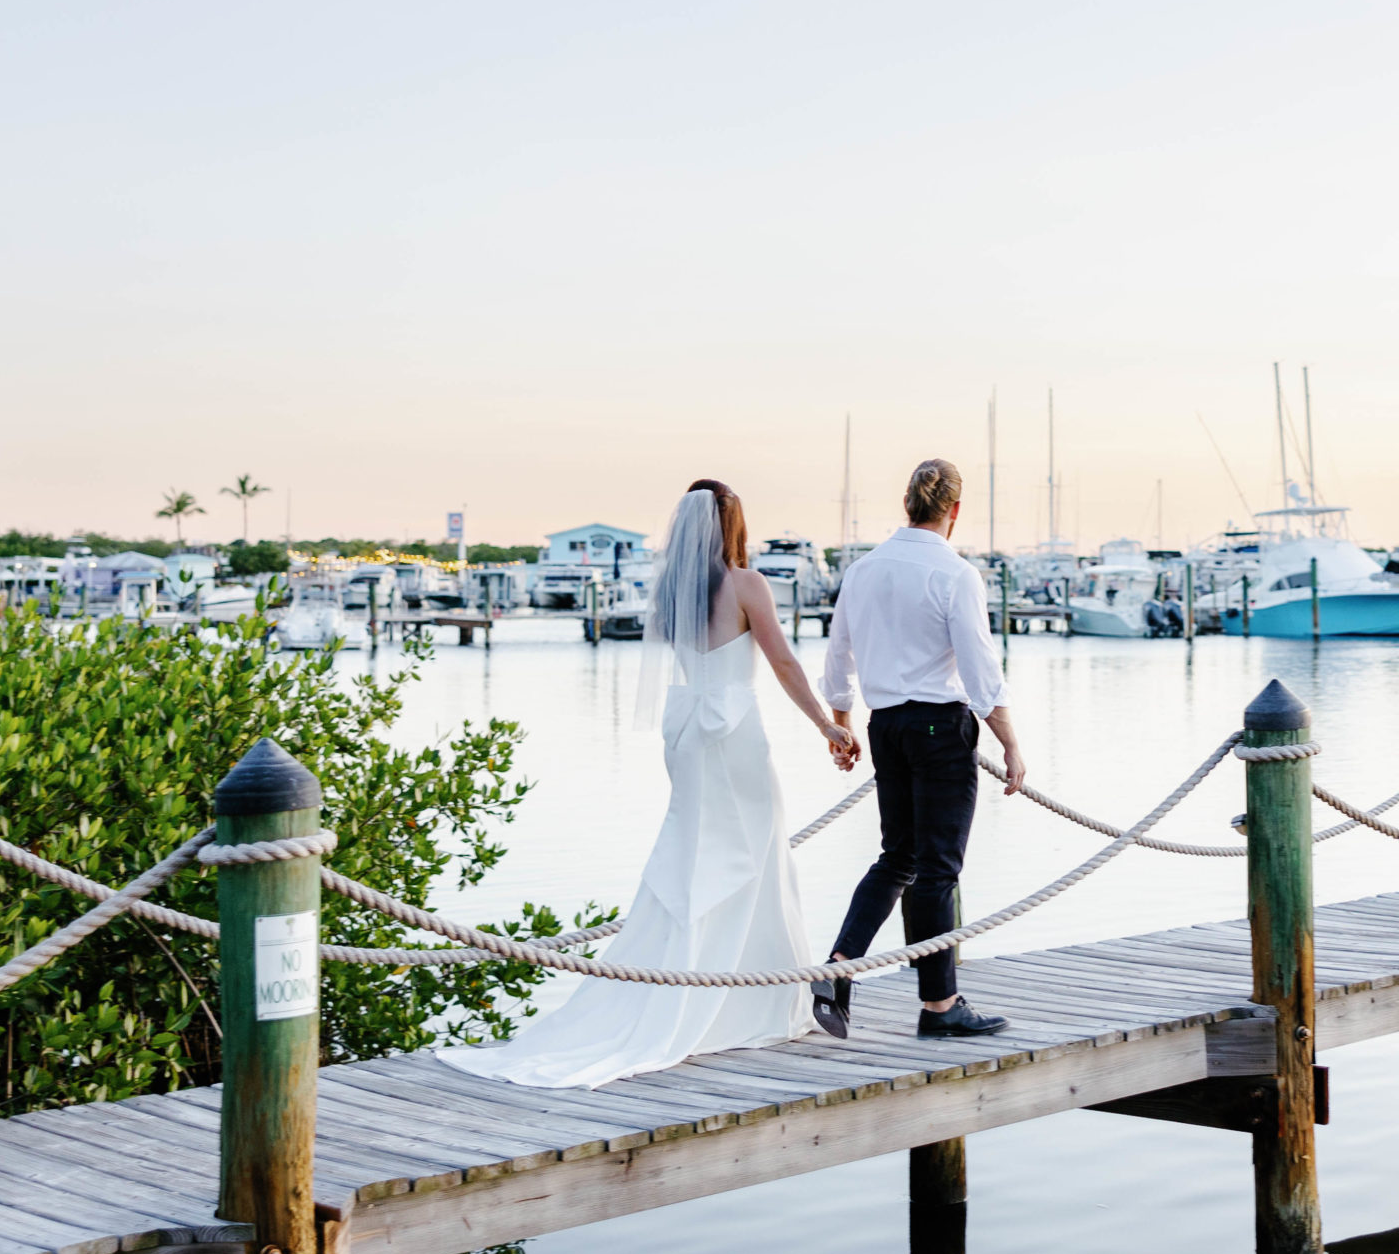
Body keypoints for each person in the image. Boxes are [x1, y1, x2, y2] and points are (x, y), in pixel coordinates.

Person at [440, 479, 860, 1088]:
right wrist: (827, 723)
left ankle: (704, 989)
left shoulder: (671, 590)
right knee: (755, 853)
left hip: (687, 730)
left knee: (695, 852)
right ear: (732, 524)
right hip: (735, 730)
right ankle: (750, 999)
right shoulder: (747, 584)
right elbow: (784, 662)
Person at [815, 457, 1027, 1039]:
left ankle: (839, 967)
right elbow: (981, 669)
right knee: (937, 869)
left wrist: (842, 723)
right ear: (954, 511)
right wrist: (1010, 744)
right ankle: (940, 1007)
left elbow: (839, 657)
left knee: (898, 857)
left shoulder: (863, 570)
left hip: (886, 727)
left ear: (907, 504)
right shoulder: (955, 573)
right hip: (940, 726)